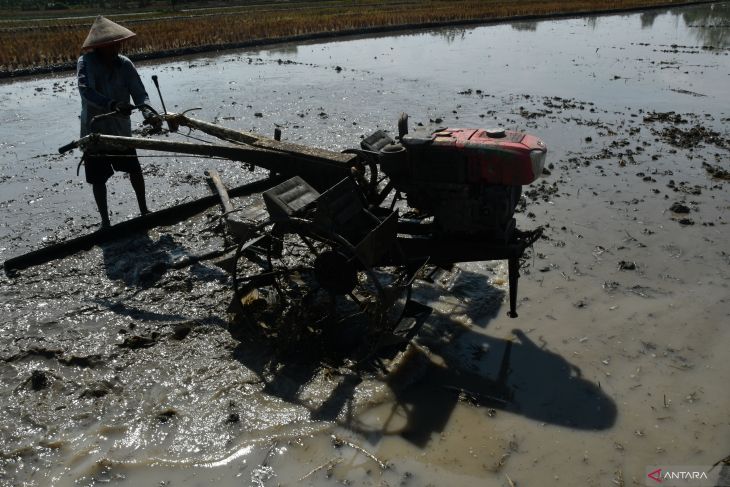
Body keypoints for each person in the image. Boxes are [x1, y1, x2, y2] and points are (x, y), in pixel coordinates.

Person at [77, 16, 161, 228]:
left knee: (134, 169)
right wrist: (112, 104)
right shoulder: (85, 63)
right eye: (112, 44)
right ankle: (105, 222)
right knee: (98, 178)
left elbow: (140, 94)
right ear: (100, 46)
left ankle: (144, 211)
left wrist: (150, 114)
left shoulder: (125, 64)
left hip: (120, 130)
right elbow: (86, 92)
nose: (117, 47)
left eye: (118, 43)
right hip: (95, 129)